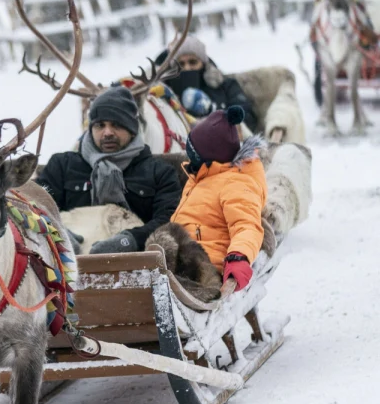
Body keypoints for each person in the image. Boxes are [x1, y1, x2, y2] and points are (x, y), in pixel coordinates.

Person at [36, 86, 181, 253]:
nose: (107, 133)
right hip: (67, 264)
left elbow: (168, 220)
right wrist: (59, 236)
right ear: (90, 128)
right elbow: (35, 207)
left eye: (116, 125)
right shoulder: (62, 166)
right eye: (100, 125)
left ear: (132, 129)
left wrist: (130, 240)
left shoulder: (159, 172)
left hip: (136, 264)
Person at [149, 107, 267, 298]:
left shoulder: (236, 183)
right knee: (161, 239)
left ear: (209, 157)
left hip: (204, 269)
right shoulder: (199, 178)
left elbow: (246, 225)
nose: (189, 159)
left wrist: (238, 257)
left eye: (193, 154)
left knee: (161, 242)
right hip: (182, 261)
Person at [157, 35, 256, 130]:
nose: (187, 68)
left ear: (203, 62)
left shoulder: (224, 85)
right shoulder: (167, 92)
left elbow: (246, 116)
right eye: (181, 64)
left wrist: (213, 112)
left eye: (193, 62)